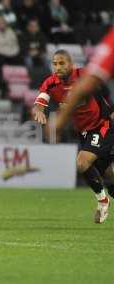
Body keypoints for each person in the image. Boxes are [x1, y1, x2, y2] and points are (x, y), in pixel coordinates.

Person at [32, 49, 114, 223]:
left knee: (82, 162)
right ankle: (108, 195)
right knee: (107, 174)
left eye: (62, 63)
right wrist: (39, 111)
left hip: (102, 126)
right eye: (55, 63)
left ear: (71, 64)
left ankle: (102, 201)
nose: (58, 67)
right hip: (84, 132)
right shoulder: (51, 83)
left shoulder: (84, 76)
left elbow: (105, 93)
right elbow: (40, 101)